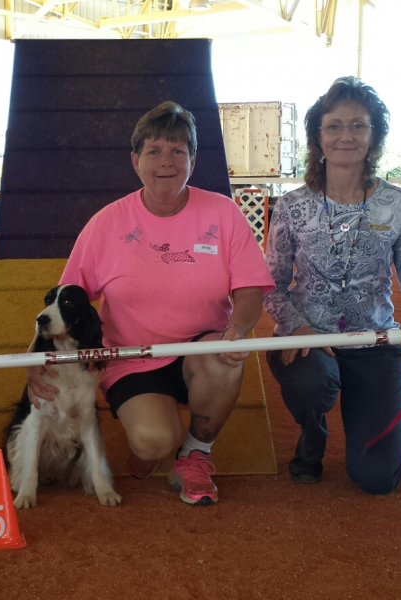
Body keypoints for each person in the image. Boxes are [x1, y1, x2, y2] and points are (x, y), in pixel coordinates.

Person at [26, 101, 274, 506]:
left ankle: (195, 454)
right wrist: (35, 356)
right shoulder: (105, 223)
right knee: (153, 443)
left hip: (201, 351)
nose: (166, 161)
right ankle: (152, 449)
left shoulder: (224, 214)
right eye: (154, 151)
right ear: (135, 160)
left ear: (193, 160)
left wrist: (237, 330)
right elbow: (64, 302)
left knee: (224, 357)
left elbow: (249, 291)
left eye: (178, 151)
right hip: (131, 358)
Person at [263, 76, 401, 495]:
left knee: (377, 479)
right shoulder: (292, 205)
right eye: (334, 126)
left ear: (374, 135)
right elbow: (269, 283)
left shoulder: (400, 205)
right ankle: (312, 439)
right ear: (317, 136)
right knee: (315, 382)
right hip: (307, 342)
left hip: (375, 343)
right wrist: (297, 326)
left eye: (358, 125)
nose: (345, 135)